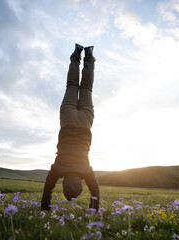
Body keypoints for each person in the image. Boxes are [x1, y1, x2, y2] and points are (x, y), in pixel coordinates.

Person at [41, 43, 100, 211]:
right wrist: (44, 208)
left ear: (81, 182)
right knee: (72, 85)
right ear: (64, 182)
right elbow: (47, 188)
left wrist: (94, 210)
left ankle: (89, 55)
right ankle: (76, 54)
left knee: (87, 88)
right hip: (67, 121)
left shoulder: (85, 171)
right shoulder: (58, 168)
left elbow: (95, 190)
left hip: (85, 123)